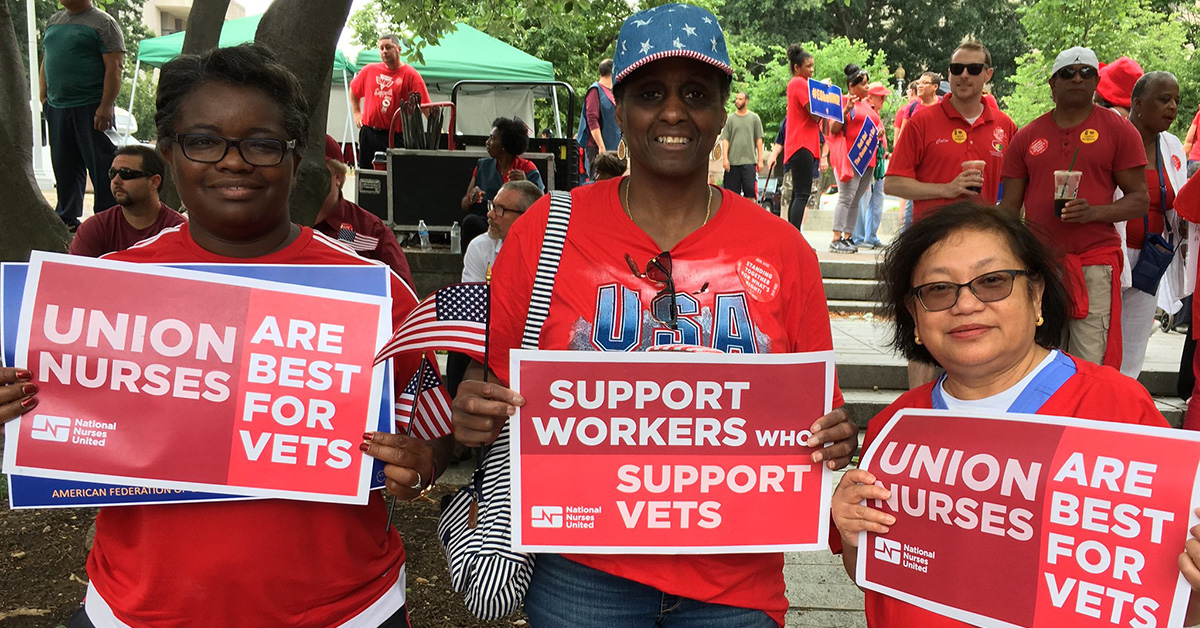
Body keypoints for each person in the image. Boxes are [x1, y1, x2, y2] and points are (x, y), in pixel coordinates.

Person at [449, 5, 858, 626]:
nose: (673, 112)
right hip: (583, 572)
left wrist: (832, 438)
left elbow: (812, 417)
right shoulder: (546, 232)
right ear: (621, 107)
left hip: (736, 582)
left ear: (722, 108)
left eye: (695, 92)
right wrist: (475, 409)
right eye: (649, 93)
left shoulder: (782, 250)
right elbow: (494, 383)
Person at [64, 43, 452, 627]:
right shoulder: (108, 292)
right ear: (169, 155)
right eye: (204, 141)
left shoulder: (375, 292)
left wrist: (420, 463)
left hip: (347, 611)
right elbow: (62, 423)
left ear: (296, 160)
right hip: (137, 609)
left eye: (262, 144)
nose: (234, 162)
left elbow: (434, 435)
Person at [829, 202, 1200, 627]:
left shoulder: (1116, 408)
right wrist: (853, 535)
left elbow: (1164, 602)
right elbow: (874, 576)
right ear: (914, 316)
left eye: (992, 282)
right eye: (938, 290)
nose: (965, 304)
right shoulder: (894, 428)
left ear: (1036, 293)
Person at [999, 46, 1149, 368]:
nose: (1077, 78)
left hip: (1093, 265)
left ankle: (1079, 419)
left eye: (1086, 73)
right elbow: (1009, 208)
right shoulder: (1027, 137)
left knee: (1087, 363)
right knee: (1036, 359)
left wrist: (1094, 212)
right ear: (1052, 85)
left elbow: (1140, 200)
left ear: (1097, 81)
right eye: (1068, 73)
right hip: (1039, 267)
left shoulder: (1119, 130)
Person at [886, 41, 1017, 389]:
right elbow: (893, 184)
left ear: (987, 75)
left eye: (973, 69)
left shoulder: (1004, 125)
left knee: (981, 332)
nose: (964, 76)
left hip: (985, 251)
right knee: (925, 332)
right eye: (956, 68)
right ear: (948, 74)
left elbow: (1016, 188)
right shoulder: (922, 121)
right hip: (933, 245)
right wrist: (946, 189)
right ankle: (919, 415)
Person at [1119, 72, 1187, 378]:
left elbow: (1178, 202)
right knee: (1098, 340)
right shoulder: (1115, 136)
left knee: (1134, 347)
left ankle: (1121, 414)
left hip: (1151, 259)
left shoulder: (1172, 146)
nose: (1172, 106)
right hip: (1110, 255)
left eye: (1176, 100)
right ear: (1138, 104)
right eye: (1164, 99)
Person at [40, 0, 125, 230]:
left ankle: (108, 218)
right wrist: (43, 96)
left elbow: (115, 67)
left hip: (92, 107)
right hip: (57, 107)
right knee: (64, 164)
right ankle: (67, 218)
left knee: (101, 164)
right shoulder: (54, 21)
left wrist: (106, 106)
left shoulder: (104, 23)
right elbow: (47, 59)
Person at [315, 134, 415, 289]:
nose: (302, 179)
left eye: (315, 171)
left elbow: (403, 293)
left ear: (339, 177)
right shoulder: (276, 226)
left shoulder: (370, 231)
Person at [68, 145, 184, 257]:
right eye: (112, 173)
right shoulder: (94, 228)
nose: (116, 180)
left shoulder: (180, 231)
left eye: (126, 174)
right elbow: (75, 274)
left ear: (154, 182)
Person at [460, 117, 546, 249]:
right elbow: (464, 205)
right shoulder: (482, 166)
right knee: (470, 222)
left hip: (514, 225)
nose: (487, 142)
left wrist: (526, 183)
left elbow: (542, 205)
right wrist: (472, 198)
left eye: (492, 139)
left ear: (505, 145)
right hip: (487, 222)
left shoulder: (527, 169)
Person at [826, 64, 883, 254]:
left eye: (867, 84)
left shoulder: (867, 105)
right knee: (846, 197)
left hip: (867, 158)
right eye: (864, 84)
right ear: (852, 86)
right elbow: (833, 129)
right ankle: (836, 237)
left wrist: (879, 132)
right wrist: (845, 111)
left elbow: (873, 124)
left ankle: (848, 236)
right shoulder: (842, 102)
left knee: (856, 199)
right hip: (851, 156)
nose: (867, 88)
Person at [349, 33, 430, 168]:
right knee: (368, 175)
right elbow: (354, 90)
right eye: (381, 48)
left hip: (396, 136)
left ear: (398, 49)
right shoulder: (369, 70)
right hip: (370, 133)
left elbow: (425, 106)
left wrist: (440, 135)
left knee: (395, 174)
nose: (384, 51)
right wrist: (357, 112)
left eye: (388, 47)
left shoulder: (411, 75)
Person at [461, 180, 542, 282]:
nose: (490, 214)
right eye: (493, 206)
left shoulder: (552, 253)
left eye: (501, 209)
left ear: (526, 216)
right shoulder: (480, 247)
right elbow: (474, 297)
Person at [892, 71, 940, 231]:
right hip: (915, 164)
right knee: (911, 205)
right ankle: (907, 238)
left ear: (935, 87)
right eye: (919, 82)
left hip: (936, 163)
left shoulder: (944, 105)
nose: (920, 86)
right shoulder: (912, 107)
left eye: (925, 83)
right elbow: (903, 135)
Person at [784, 44, 822, 231]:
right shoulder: (799, 83)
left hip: (799, 144)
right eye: (808, 66)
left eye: (813, 66)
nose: (812, 70)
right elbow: (815, 114)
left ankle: (793, 234)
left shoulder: (796, 84)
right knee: (802, 194)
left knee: (797, 194)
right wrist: (824, 95)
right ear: (797, 68)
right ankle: (795, 235)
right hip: (802, 144)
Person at [851, 81, 892, 250]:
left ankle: (870, 235)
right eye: (880, 97)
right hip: (864, 161)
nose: (883, 100)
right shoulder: (862, 111)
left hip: (877, 161)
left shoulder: (875, 114)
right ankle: (858, 236)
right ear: (871, 97)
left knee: (876, 200)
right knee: (862, 198)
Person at [574, 58, 621, 183]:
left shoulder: (611, 92)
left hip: (613, 146)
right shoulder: (595, 90)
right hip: (597, 148)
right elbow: (592, 120)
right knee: (598, 180)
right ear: (613, 72)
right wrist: (601, 146)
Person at [719, 91, 764, 198]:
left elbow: (759, 139)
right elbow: (725, 139)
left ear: (746, 101)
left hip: (749, 162)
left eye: (740, 99)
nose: (737, 101)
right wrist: (725, 158)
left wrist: (760, 160)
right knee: (731, 195)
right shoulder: (730, 119)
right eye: (736, 99)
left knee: (750, 193)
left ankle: (749, 214)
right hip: (733, 163)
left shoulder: (754, 118)